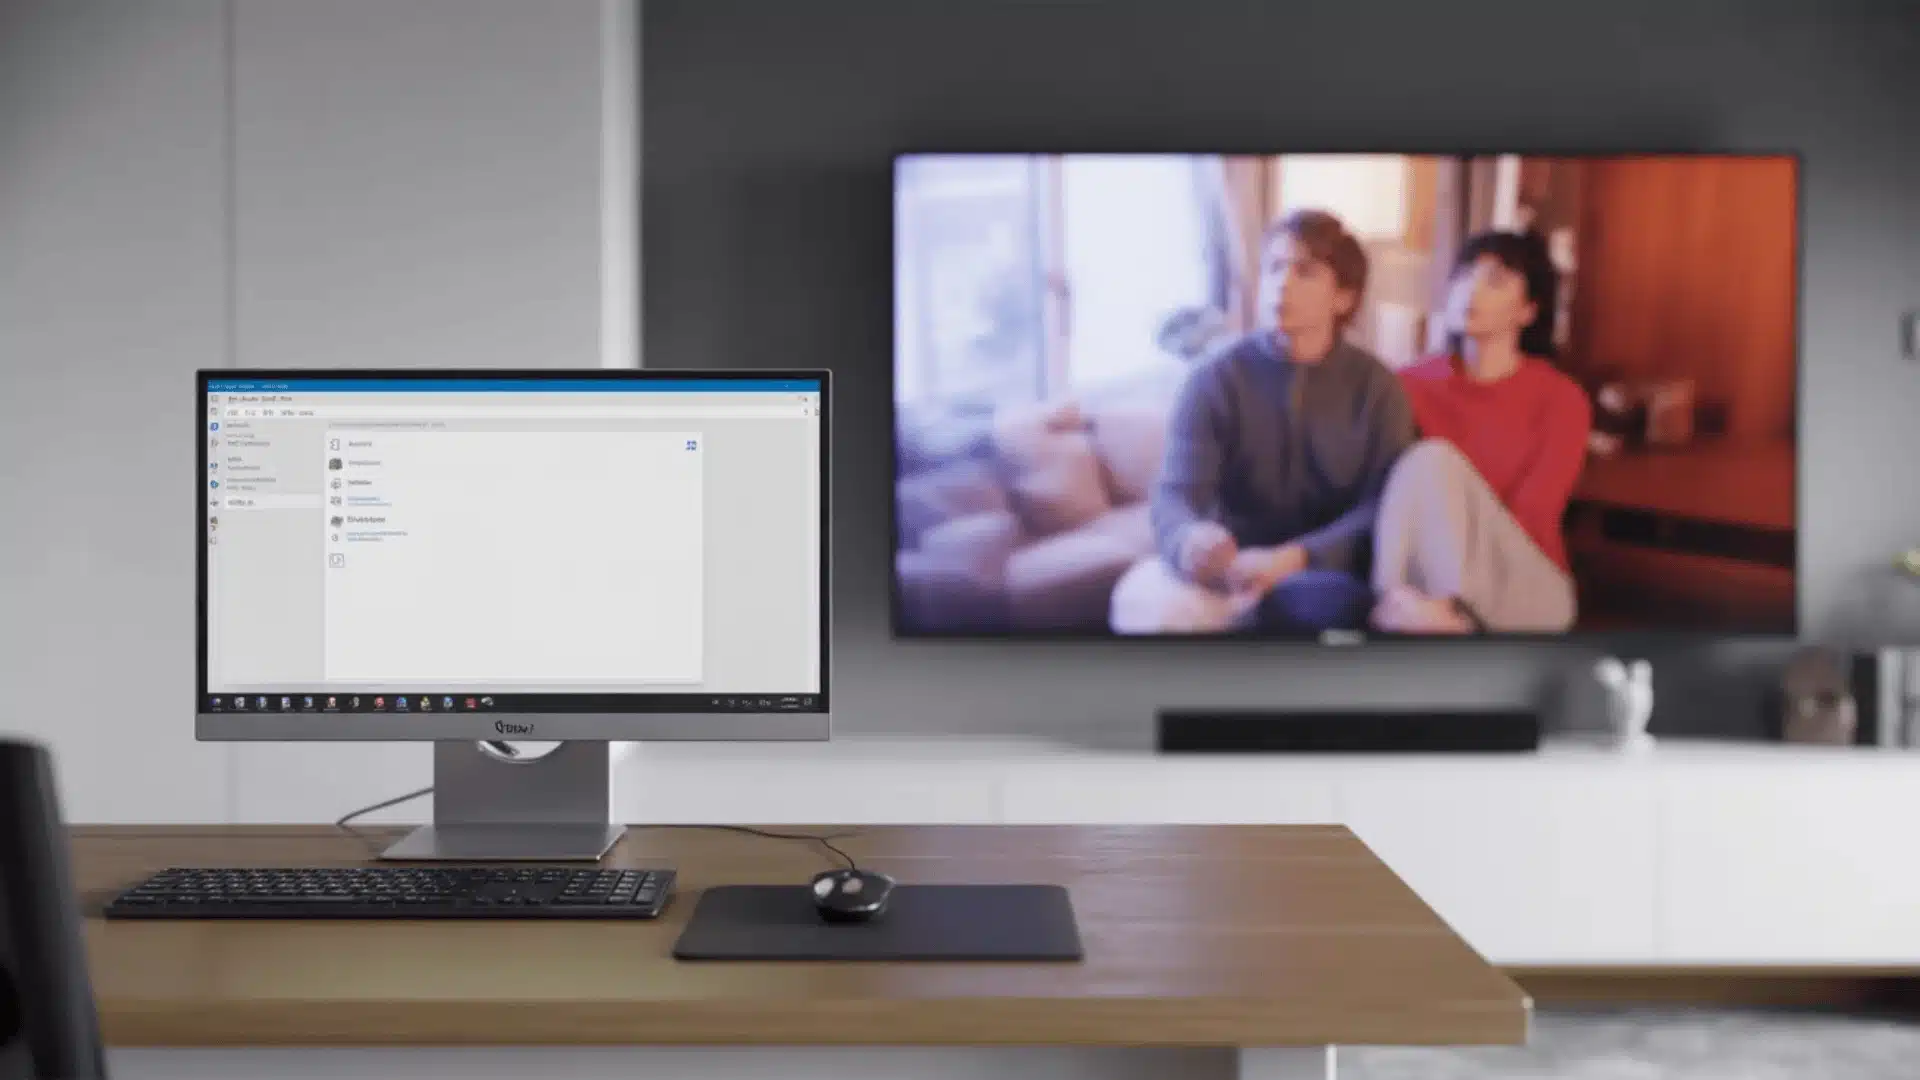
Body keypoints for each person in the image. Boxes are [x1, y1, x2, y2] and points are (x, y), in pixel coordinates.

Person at [1148, 209, 1414, 632]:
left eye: (1304, 271)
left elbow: (1382, 508)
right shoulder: (1212, 379)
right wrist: (1187, 540)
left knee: (1325, 606)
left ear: (1343, 297)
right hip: (1233, 567)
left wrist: (1296, 558)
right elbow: (1174, 495)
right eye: (1273, 268)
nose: (1282, 284)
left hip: (1329, 573)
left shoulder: (1379, 388)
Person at [1371, 229, 1592, 634]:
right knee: (1418, 466)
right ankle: (1397, 603)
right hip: (1426, 588)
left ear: (1527, 311)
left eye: (1495, 280)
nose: (1470, 289)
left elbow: (1534, 515)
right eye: (1464, 275)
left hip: (1527, 588)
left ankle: (1447, 613)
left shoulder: (1561, 399)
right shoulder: (1407, 384)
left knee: (1433, 458)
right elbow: (1395, 497)